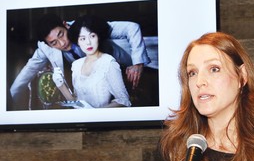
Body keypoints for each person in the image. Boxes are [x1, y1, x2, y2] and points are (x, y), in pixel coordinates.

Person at [153, 32, 254, 161]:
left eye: (214, 69)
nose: (200, 81)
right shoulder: (172, 149)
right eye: (192, 73)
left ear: (242, 76)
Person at [9, 13, 149, 109]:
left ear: (65, 25)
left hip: (129, 67)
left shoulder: (86, 26)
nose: (62, 43)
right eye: (54, 43)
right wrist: (9, 102)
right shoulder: (46, 49)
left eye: (61, 34)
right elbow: (27, 73)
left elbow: (132, 27)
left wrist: (137, 63)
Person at [59, 15, 131, 108]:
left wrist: (96, 114)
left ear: (98, 37)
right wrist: (61, 85)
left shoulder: (108, 62)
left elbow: (123, 100)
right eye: (82, 39)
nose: (88, 42)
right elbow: (77, 102)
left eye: (92, 36)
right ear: (77, 42)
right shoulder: (76, 65)